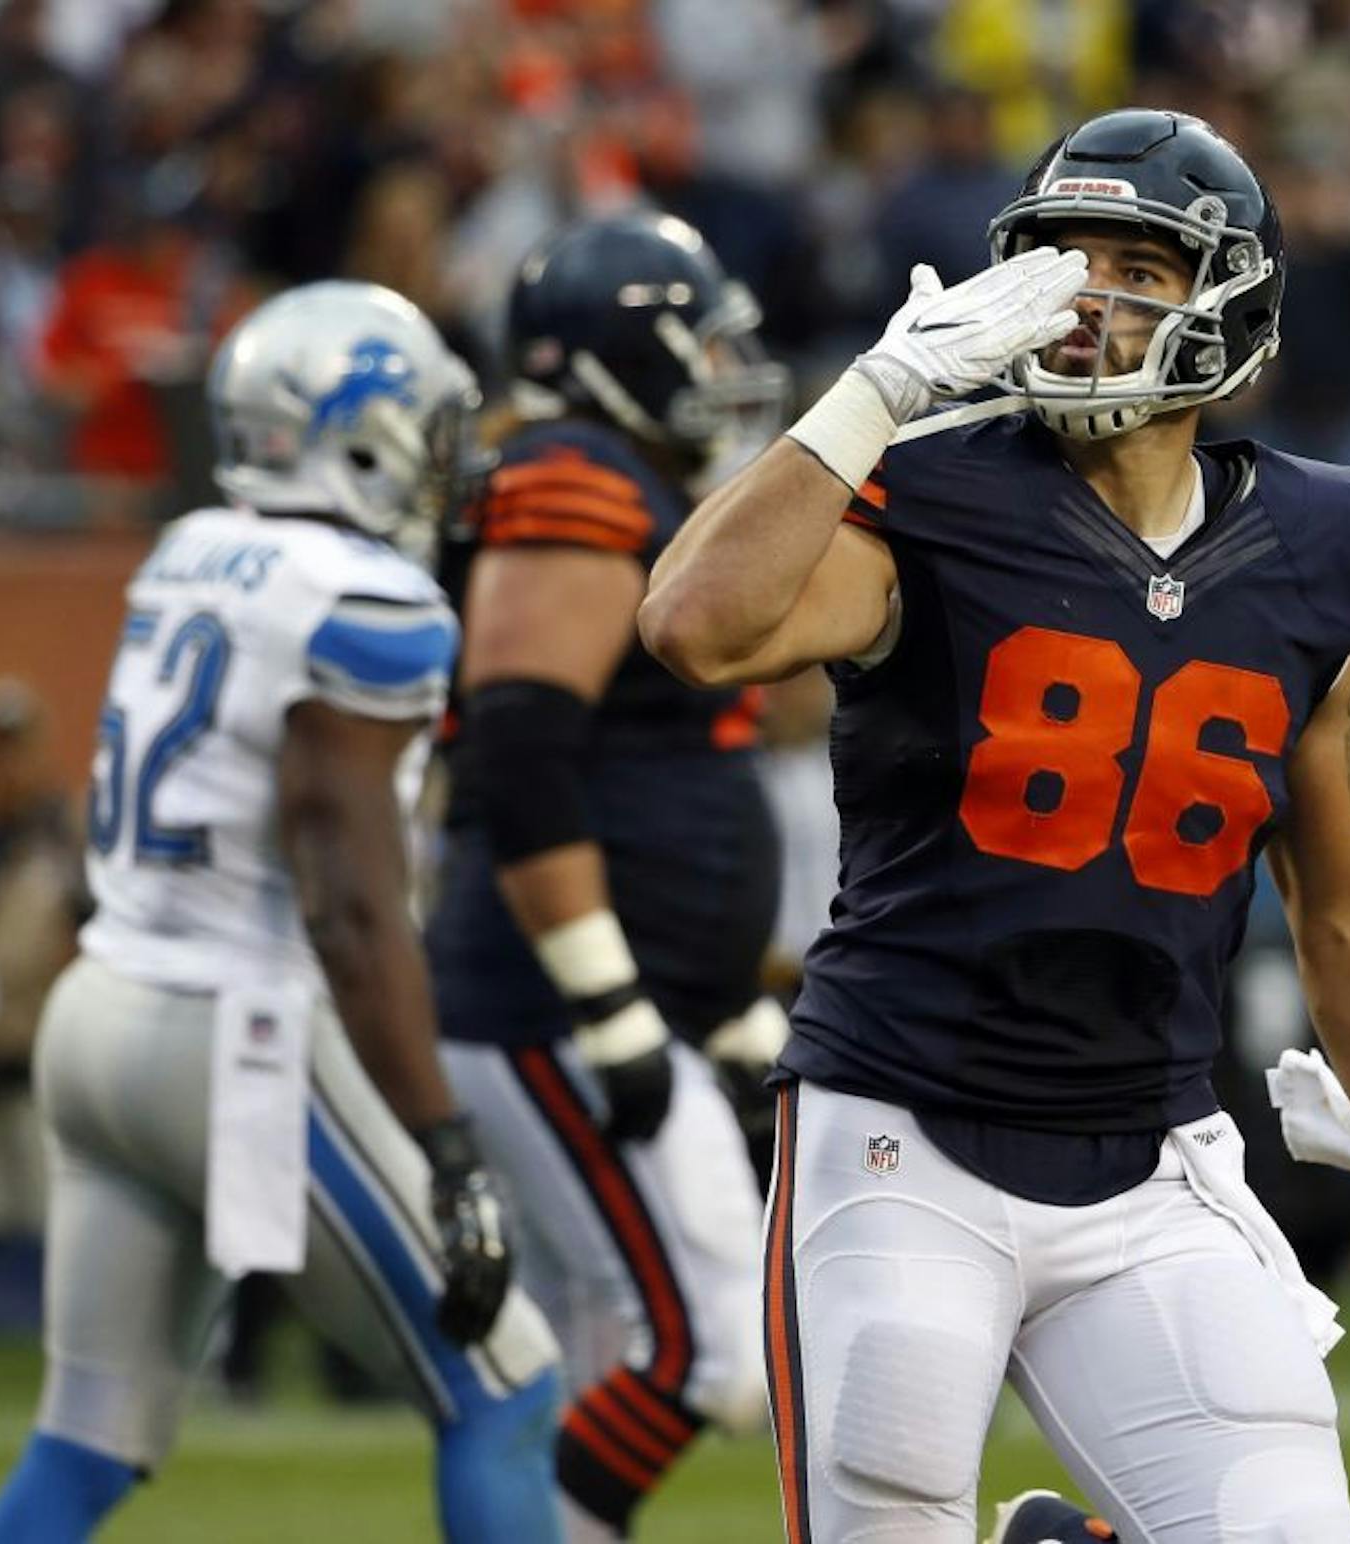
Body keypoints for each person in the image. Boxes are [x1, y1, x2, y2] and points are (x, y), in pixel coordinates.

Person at [639, 107, 1350, 1543]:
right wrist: (880, 387)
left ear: (1231, 307)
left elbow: (1345, 892)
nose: (1084, 301)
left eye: (1136, 270)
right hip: (900, 1134)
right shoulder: (933, 489)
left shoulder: (1332, 547)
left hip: (1152, 1155)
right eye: (1059, 260)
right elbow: (692, 626)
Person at [0, 282, 564, 1544]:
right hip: (231, 1030)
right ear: (354, 432)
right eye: (424, 422)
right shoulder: (365, 598)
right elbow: (350, 905)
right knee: (507, 1387)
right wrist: (444, 1145)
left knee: (87, 1440)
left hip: (102, 1007)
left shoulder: (193, 545)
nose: (449, 456)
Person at [426, 209, 791, 1540]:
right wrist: (611, 1002)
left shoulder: (630, 484)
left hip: (612, 998)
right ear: (604, 356)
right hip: (549, 1002)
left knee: (619, 1346)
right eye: (692, 343)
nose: (717, 369)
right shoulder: (572, 473)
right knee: (706, 1351)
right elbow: (521, 755)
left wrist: (713, 1002)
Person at [0, 678, 81, 1334]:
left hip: (43, 1057)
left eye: (16, 747)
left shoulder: (66, 840)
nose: (5, 765)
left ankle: (77, 1348)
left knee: (66, 1221)